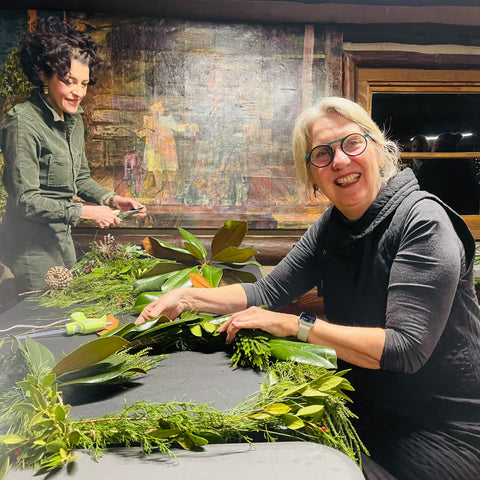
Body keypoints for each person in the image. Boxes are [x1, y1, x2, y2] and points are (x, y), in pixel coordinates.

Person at [136, 96, 480, 480]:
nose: (340, 161)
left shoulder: (423, 222)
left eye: (352, 143)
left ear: (378, 147)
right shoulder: (331, 227)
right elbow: (265, 293)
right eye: (322, 153)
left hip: (442, 430)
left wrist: (294, 325)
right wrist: (186, 297)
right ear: (312, 175)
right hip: (363, 406)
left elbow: (406, 348)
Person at [0, 17, 145, 295]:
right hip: (31, 247)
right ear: (44, 75)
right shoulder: (22, 123)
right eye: (69, 82)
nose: (78, 92)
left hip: (61, 240)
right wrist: (86, 212)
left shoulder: (74, 120)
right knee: (44, 321)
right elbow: (25, 200)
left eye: (85, 83)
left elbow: (79, 178)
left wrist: (111, 198)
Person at [415, 132, 480, 214]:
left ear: (438, 144)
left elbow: (421, 189)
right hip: (463, 213)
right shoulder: (465, 163)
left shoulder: (429, 164)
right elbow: (474, 191)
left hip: (437, 212)